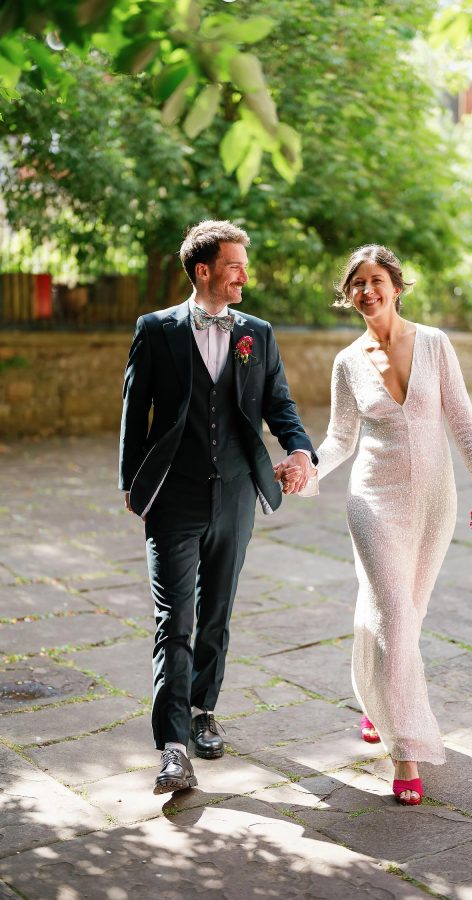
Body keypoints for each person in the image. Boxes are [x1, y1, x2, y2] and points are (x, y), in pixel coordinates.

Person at [287, 245, 472, 805]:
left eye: (376, 280)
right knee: (396, 616)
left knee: (406, 614)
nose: (367, 291)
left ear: (397, 286)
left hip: (434, 501)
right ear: (348, 294)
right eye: (357, 283)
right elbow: (339, 440)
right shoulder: (347, 362)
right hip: (373, 501)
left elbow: (463, 421)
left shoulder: (433, 344)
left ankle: (378, 700)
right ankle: (407, 749)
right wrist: (306, 468)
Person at [119, 220, 316, 795]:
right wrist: (132, 484)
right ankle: (173, 747)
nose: (244, 276)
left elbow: (279, 403)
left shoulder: (257, 333)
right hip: (173, 498)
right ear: (203, 270)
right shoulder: (155, 331)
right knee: (173, 620)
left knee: (218, 612)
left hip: (235, 494)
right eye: (235, 266)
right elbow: (136, 413)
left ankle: (204, 710)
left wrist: (300, 449)